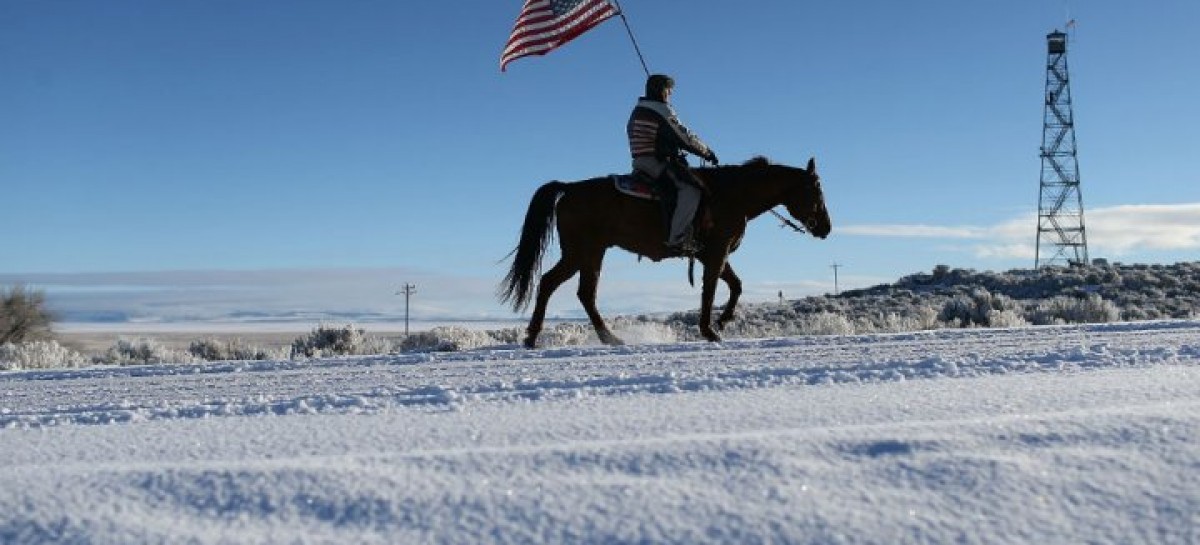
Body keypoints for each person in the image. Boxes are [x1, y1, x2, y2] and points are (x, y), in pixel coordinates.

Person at [627, 74, 718, 256]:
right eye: (669, 90)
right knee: (691, 190)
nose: (670, 95)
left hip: (640, 161)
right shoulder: (661, 110)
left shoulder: (638, 110)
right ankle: (677, 239)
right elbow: (684, 137)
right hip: (655, 161)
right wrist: (707, 152)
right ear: (662, 90)